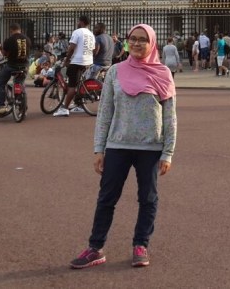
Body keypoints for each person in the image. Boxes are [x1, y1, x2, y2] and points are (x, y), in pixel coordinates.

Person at [71, 24, 176, 270]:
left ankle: (141, 244)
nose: (137, 43)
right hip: (118, 145)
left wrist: (168, 152)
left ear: (152, 43)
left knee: (148, 198)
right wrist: (99, 149)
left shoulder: (163, 73)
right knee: (107, 198)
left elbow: (170, 116)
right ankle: (95, 248)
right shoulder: (115, 72)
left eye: (143, 40)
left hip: (150, 148)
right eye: (132, 39)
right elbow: (105, 112)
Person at [57, 15, 96, 117]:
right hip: (88, 62)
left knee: (72, 86)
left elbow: (71, 48)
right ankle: (79, 104)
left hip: (77, 61)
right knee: (79, 83)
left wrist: (67, 60)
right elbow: (93, 49)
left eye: (78, 21)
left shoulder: (77, 32)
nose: (77, 23)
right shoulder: (91, 34)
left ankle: (65, 108)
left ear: (81, 22)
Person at [0, 23, 31, 119]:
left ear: (11, 30)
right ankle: (23, 107)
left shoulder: (9, 40)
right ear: (20, 30)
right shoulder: (27, 39)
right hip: (24, 66)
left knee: (1, 83)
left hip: (12, 65)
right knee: (20, 84)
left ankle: (0, 106)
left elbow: (5, 53)